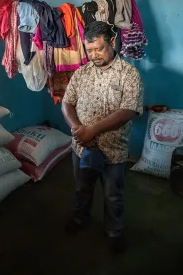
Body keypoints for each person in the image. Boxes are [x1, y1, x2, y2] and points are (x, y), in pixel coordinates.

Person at [62, 21, 143, 253]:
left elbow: (128, 110)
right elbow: (67, 102)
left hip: (113, 150)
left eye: (99, 48)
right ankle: (80, 219)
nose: (94, 55)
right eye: (90, 50)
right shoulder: (82, 72)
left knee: (113, 195)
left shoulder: (129, 74)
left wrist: (92, 130)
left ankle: (114, 232)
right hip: (81, 147)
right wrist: (78, 128)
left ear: (112, 42)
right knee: (82, 189)